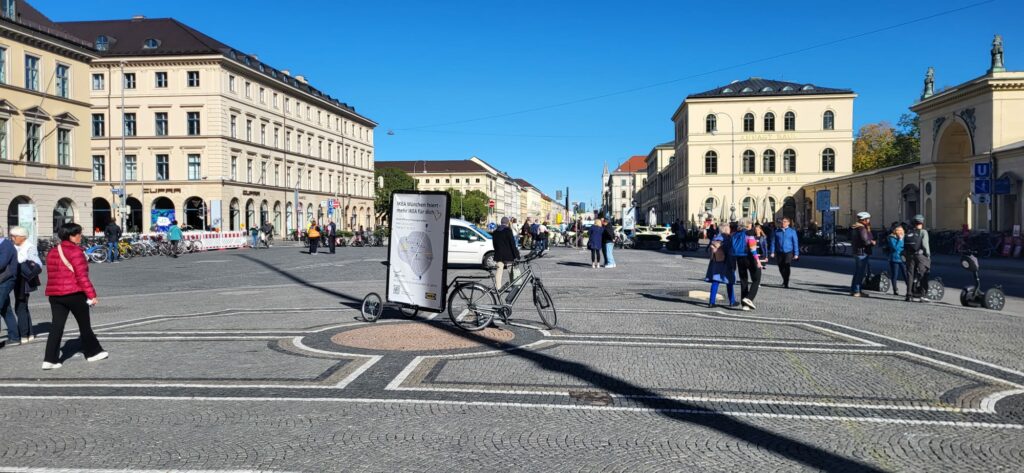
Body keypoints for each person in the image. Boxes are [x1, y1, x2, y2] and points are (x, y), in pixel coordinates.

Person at [43, 223, 108, 370]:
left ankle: (49, 359)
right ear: (70, 235)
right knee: (84, 326)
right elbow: (81, 276)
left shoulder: (52, 251)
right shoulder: (76, 251)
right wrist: (91, 295)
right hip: (74, 293)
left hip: (55, 294)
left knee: (56, 327)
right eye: (77, 233)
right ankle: (93, 353)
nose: (80, 236)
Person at [6, 227, 41, 344]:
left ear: (22, 237)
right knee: (23, 306)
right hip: (20, 280)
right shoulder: (18, 246)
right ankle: (30, 333)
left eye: (14, 236)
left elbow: (37, 264)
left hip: (24, 281)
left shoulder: (29, 247)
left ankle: (24, 334)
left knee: (20, 306)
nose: (12, 238)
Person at [732, 219, 763, 310]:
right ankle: (749, 298)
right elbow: (753, 249)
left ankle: (744, 304)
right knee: (756, 279)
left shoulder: (735, 234)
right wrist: (758, 261)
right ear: (748, 225)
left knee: (743, 280)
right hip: (749, 258)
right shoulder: (749, 234)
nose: (751, 225)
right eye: (750, 224)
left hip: (739, 258)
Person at [705, 224, 736, 308]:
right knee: (729, 281)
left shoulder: (715, 238)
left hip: (715, 262)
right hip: (725, 262)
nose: (730, 229)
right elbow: (730, 251)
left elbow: (709, 250)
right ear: (725, 230)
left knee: (715, 281)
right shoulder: (727, 238)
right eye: (729, 228)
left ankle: (711, 302)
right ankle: (732, 301)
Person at [903, 214, 931, 302]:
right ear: (922, 222)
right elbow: (925, 246)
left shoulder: (909, 232)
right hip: (920, 256)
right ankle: (923, 295)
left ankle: (909, 295)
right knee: (924, 274)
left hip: (909, 255)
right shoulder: (923, 232)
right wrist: (928, 255)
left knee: (910, 274)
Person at [850, 212, 876, 297]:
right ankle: (857, 291)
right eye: (868, 219)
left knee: (857, 272)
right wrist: (872, 242)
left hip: (857, 252)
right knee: (860, 273)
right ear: (864, 220)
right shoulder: (862, 229)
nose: (869, 220)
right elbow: (865, 241)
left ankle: (853, 290)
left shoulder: (855, 227)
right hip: (862, 252)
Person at [0, 228, 19, 345]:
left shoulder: (5, 245)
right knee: (5, 309)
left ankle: (15, 336)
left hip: (6, 279)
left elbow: (1, 264)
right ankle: (14, 336)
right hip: (2, 279)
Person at [491, 217, 520, 290]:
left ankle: (498, 287)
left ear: (501, 222)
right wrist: (517, 255)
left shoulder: (495, 232)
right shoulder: (508, 231)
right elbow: (512, 244)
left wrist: (496, 251)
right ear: (507, 223)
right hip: (508, 254)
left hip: (499, 254)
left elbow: (494, 244)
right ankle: (513, 286)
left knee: (499, 270)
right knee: (511, 271)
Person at [771, 217, 800, 288]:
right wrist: (772, 251)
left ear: (788, 223)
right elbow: (773, 242)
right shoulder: (777, 231)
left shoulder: (792, 231)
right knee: (780, 267)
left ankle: (786, 282)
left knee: (787, 266)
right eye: (782, 222)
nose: (783, 223)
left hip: (788, 251)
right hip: (779, 251)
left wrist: (796, 253)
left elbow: (795, 243)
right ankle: (785, 279)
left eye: (785, 221)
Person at [887, 225, 907, 296]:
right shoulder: (891, 238)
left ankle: (909, 289)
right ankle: (895, 289)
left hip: (903, 258)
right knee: (895, 274)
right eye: (898, 230)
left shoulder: (904, 237)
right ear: (895, 231)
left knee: (906, 274)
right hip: (894, 258)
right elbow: (895, 248)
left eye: (901, 230)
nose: (900, 232)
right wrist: (900, 240)